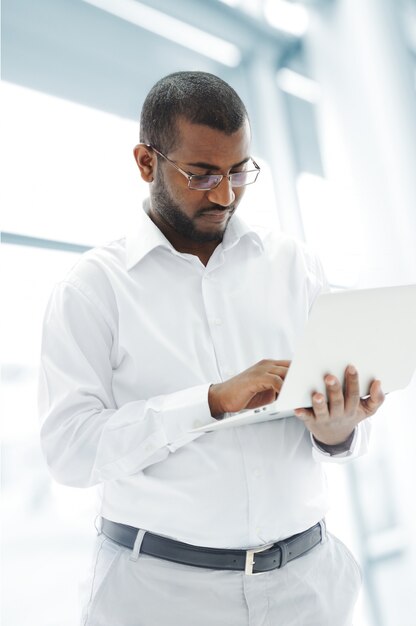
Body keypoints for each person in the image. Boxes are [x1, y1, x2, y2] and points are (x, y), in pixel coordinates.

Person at [39, 71, 385, 626]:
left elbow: (340, 433)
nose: (225, 195)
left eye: (238, 171)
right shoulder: (93, 288)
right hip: (160, 597)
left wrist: (338, 427)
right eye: (201, 175)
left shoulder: (293, 264)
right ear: (146, 163)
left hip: (307, 585)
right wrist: (210, 402)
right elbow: (70, 451)